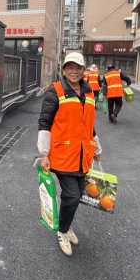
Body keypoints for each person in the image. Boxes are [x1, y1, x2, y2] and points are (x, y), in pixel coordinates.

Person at [38, 52, 102, 256]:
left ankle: (66, 225)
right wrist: (44, 154)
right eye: (70, 67)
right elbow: (45, 124)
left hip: (82, 155)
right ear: (64, 70)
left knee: (78, 193)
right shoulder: (55, 91)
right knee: (72, 195)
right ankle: (62, 231)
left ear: (84, 70)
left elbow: (89, 124)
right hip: (63, 155)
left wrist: (96, 149)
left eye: (78, 68)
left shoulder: (89, 93)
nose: (74, 71)